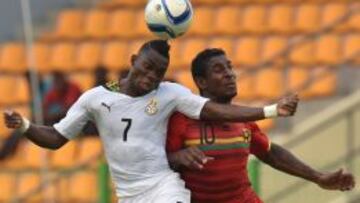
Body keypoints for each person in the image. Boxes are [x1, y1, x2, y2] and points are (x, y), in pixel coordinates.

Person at [3, 40, 299, 203]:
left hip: (163, 187)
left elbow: (216, 110)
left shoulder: (169, 93)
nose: (150, 77)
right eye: (146, 68)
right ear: (133, 61)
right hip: (129, 195)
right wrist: (26, 126)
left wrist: (270, 111)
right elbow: (56, 139)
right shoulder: (94, 99)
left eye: (158, 73)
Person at [166, 48, 355, 203]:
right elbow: (156, 162)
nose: (230, 74)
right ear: (201, 82)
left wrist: (318, 176)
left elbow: (270, 153)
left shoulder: (243, 119)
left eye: (230, 68)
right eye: (219, 70)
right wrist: (176, 157)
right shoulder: (182, 119)